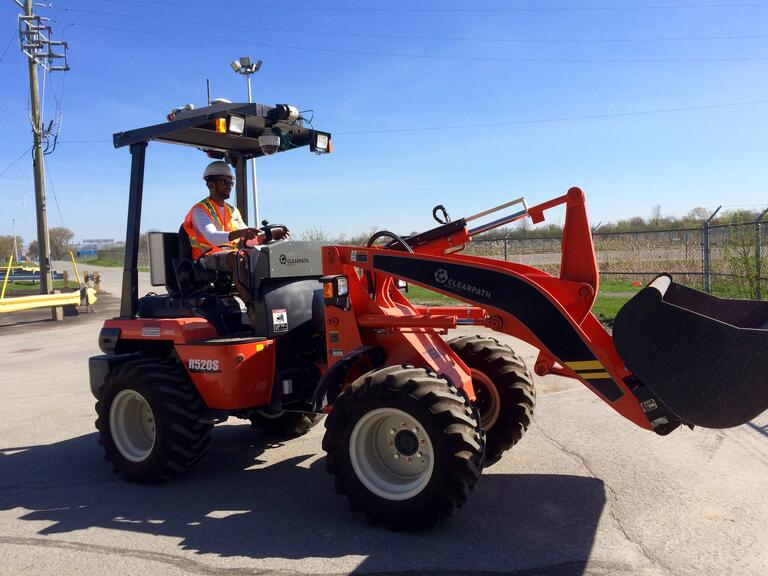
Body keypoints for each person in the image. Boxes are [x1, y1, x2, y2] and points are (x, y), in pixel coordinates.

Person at [182, 160, 289, 325]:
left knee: (260, 256)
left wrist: (270, 236)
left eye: (231, 182)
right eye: (225, 181)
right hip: (206, 257)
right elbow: (211, 236)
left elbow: (249, 240)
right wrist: (239, 233)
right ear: (211, 184)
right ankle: (252, 308)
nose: (229, 185)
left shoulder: (233, 211)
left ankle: (271, 301)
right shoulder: (200, 210)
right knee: (238, 258)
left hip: (230, 255)